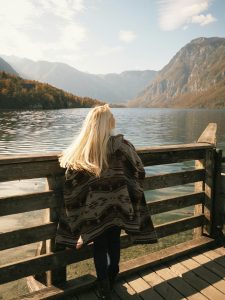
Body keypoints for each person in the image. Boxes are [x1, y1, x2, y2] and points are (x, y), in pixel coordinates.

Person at [55, 104, 158, 300]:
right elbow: (139, 169)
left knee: (100, 246)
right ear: (111, 123)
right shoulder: (124, 146)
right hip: (120, 204)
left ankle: (103, 287)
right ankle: (112, 277)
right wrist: (126, 183)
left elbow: (70, 176)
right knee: (114, 242)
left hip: (95, 210)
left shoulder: (84, 150)